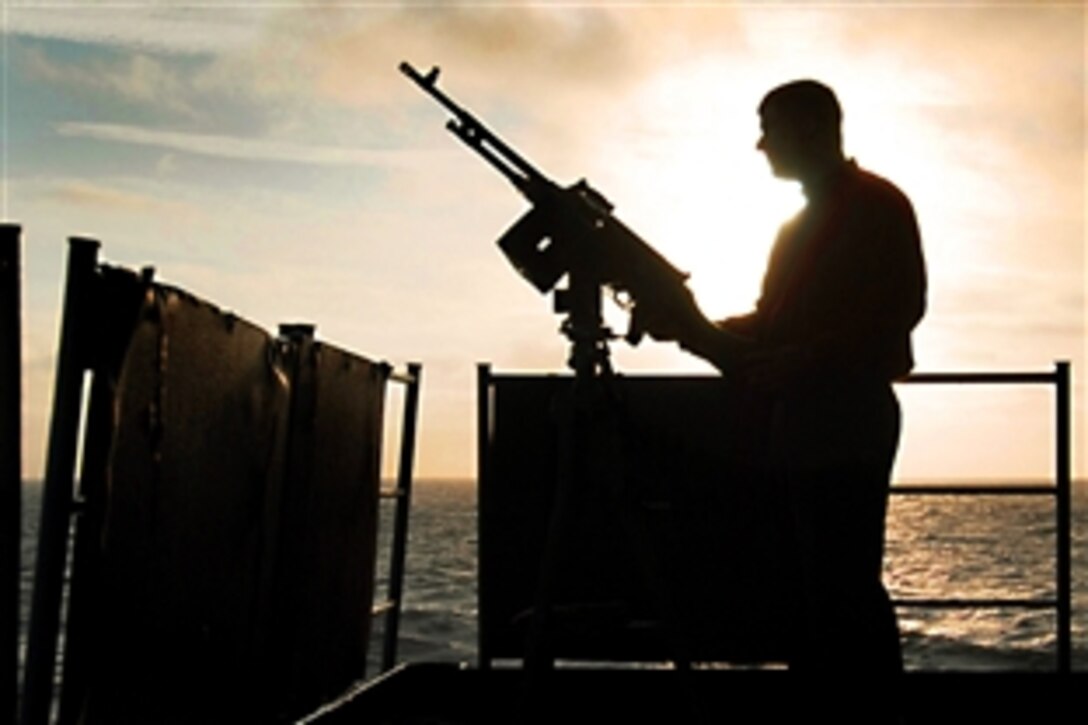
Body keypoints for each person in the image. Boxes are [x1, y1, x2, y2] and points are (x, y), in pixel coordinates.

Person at [643, 79, 927, 684]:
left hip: (845, 417)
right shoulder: (797, 226)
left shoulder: (878, 206)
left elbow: (899, 311)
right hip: (799, 421)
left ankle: (873, 720)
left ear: (805, 128)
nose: (759, 144)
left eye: (768, 128)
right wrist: (691, 325)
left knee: (844, 588)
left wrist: (808, 359)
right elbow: (772, 324)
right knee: (807, 589)